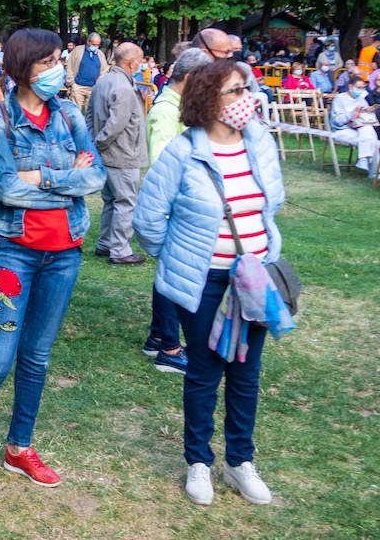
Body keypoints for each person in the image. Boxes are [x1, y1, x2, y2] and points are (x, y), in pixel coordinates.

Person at [0, 28, 105, 501]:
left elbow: (96, 175)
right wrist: (65, 180)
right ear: (21, 66)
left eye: (59, 60)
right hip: (11, 255)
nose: (57, 69)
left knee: (37, 357)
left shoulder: (70, 114)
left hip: (63, 255)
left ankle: (19, 448)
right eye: (47, 61)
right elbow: (7, 190)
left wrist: (43, 177)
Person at [133, 59, 286, 507]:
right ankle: (198, 462)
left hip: (254, 279)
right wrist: (178, 257)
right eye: (236, 91)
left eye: (247, 89)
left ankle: (240, 462)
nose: (247, 99)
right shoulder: (183, 152)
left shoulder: (260, 143)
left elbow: (270, 204)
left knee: (246, 373)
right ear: (208, 100)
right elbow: (147, 219)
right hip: (203, 284)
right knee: (205, 372)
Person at [141, 47, 212, 373]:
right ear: (192, 78)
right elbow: (162, 167)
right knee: (173, 279)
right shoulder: (165, 112)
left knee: (168, 277)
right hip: (173, 209)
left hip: (179, 206)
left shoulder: (177, 108)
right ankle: (169, 348)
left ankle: (158, 338)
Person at [88, 42, 148, 266]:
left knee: (111, 201)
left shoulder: (103, 82)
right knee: (125, 202)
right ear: (132, 63)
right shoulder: (123, 87)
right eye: (140, 61)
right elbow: (115, 125)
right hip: (121, 154)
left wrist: (94, 144)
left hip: (109, 153)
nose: (141, 65)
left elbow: (89, 117)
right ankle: (120, 250)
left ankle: (106, 243)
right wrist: (100, 143)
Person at [329, 73, 380, 173]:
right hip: (342, 129)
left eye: (363, 88)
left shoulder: (362, 100)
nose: (361, 90)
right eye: (358, 87)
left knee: (369, 132)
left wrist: (368, 112)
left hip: (359, 129)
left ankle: (364, 160)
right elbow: (337, 121)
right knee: (371, 140)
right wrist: (352, 114)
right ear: (350, 86)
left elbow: (364, 119)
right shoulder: (339, 99)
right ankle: (376, 172)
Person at [66, 32, 108, 111]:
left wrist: (100, 81)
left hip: (93, 88)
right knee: (74, 112)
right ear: (88, 42)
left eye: (98, 45)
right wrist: (71, 83)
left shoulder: (100, 54)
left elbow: (104, 70)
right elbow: (70, 67)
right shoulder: (77, 51)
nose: (96, 47)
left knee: (90, 113)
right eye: (94, 44)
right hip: (78, 86)